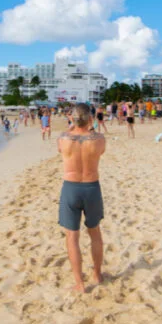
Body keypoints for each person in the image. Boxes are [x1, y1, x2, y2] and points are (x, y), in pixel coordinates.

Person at [57, 104, 106, 293]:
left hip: (71, 187)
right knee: (94, 232)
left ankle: (79, 283)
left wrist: (72, 126)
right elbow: (100, 152)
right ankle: (97, 274)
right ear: (90, 119)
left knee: (72, 236)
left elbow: (61, 150)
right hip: (92, 186)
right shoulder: (99, 138)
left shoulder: (63, 138)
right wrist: (90, 127)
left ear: (72, 119)